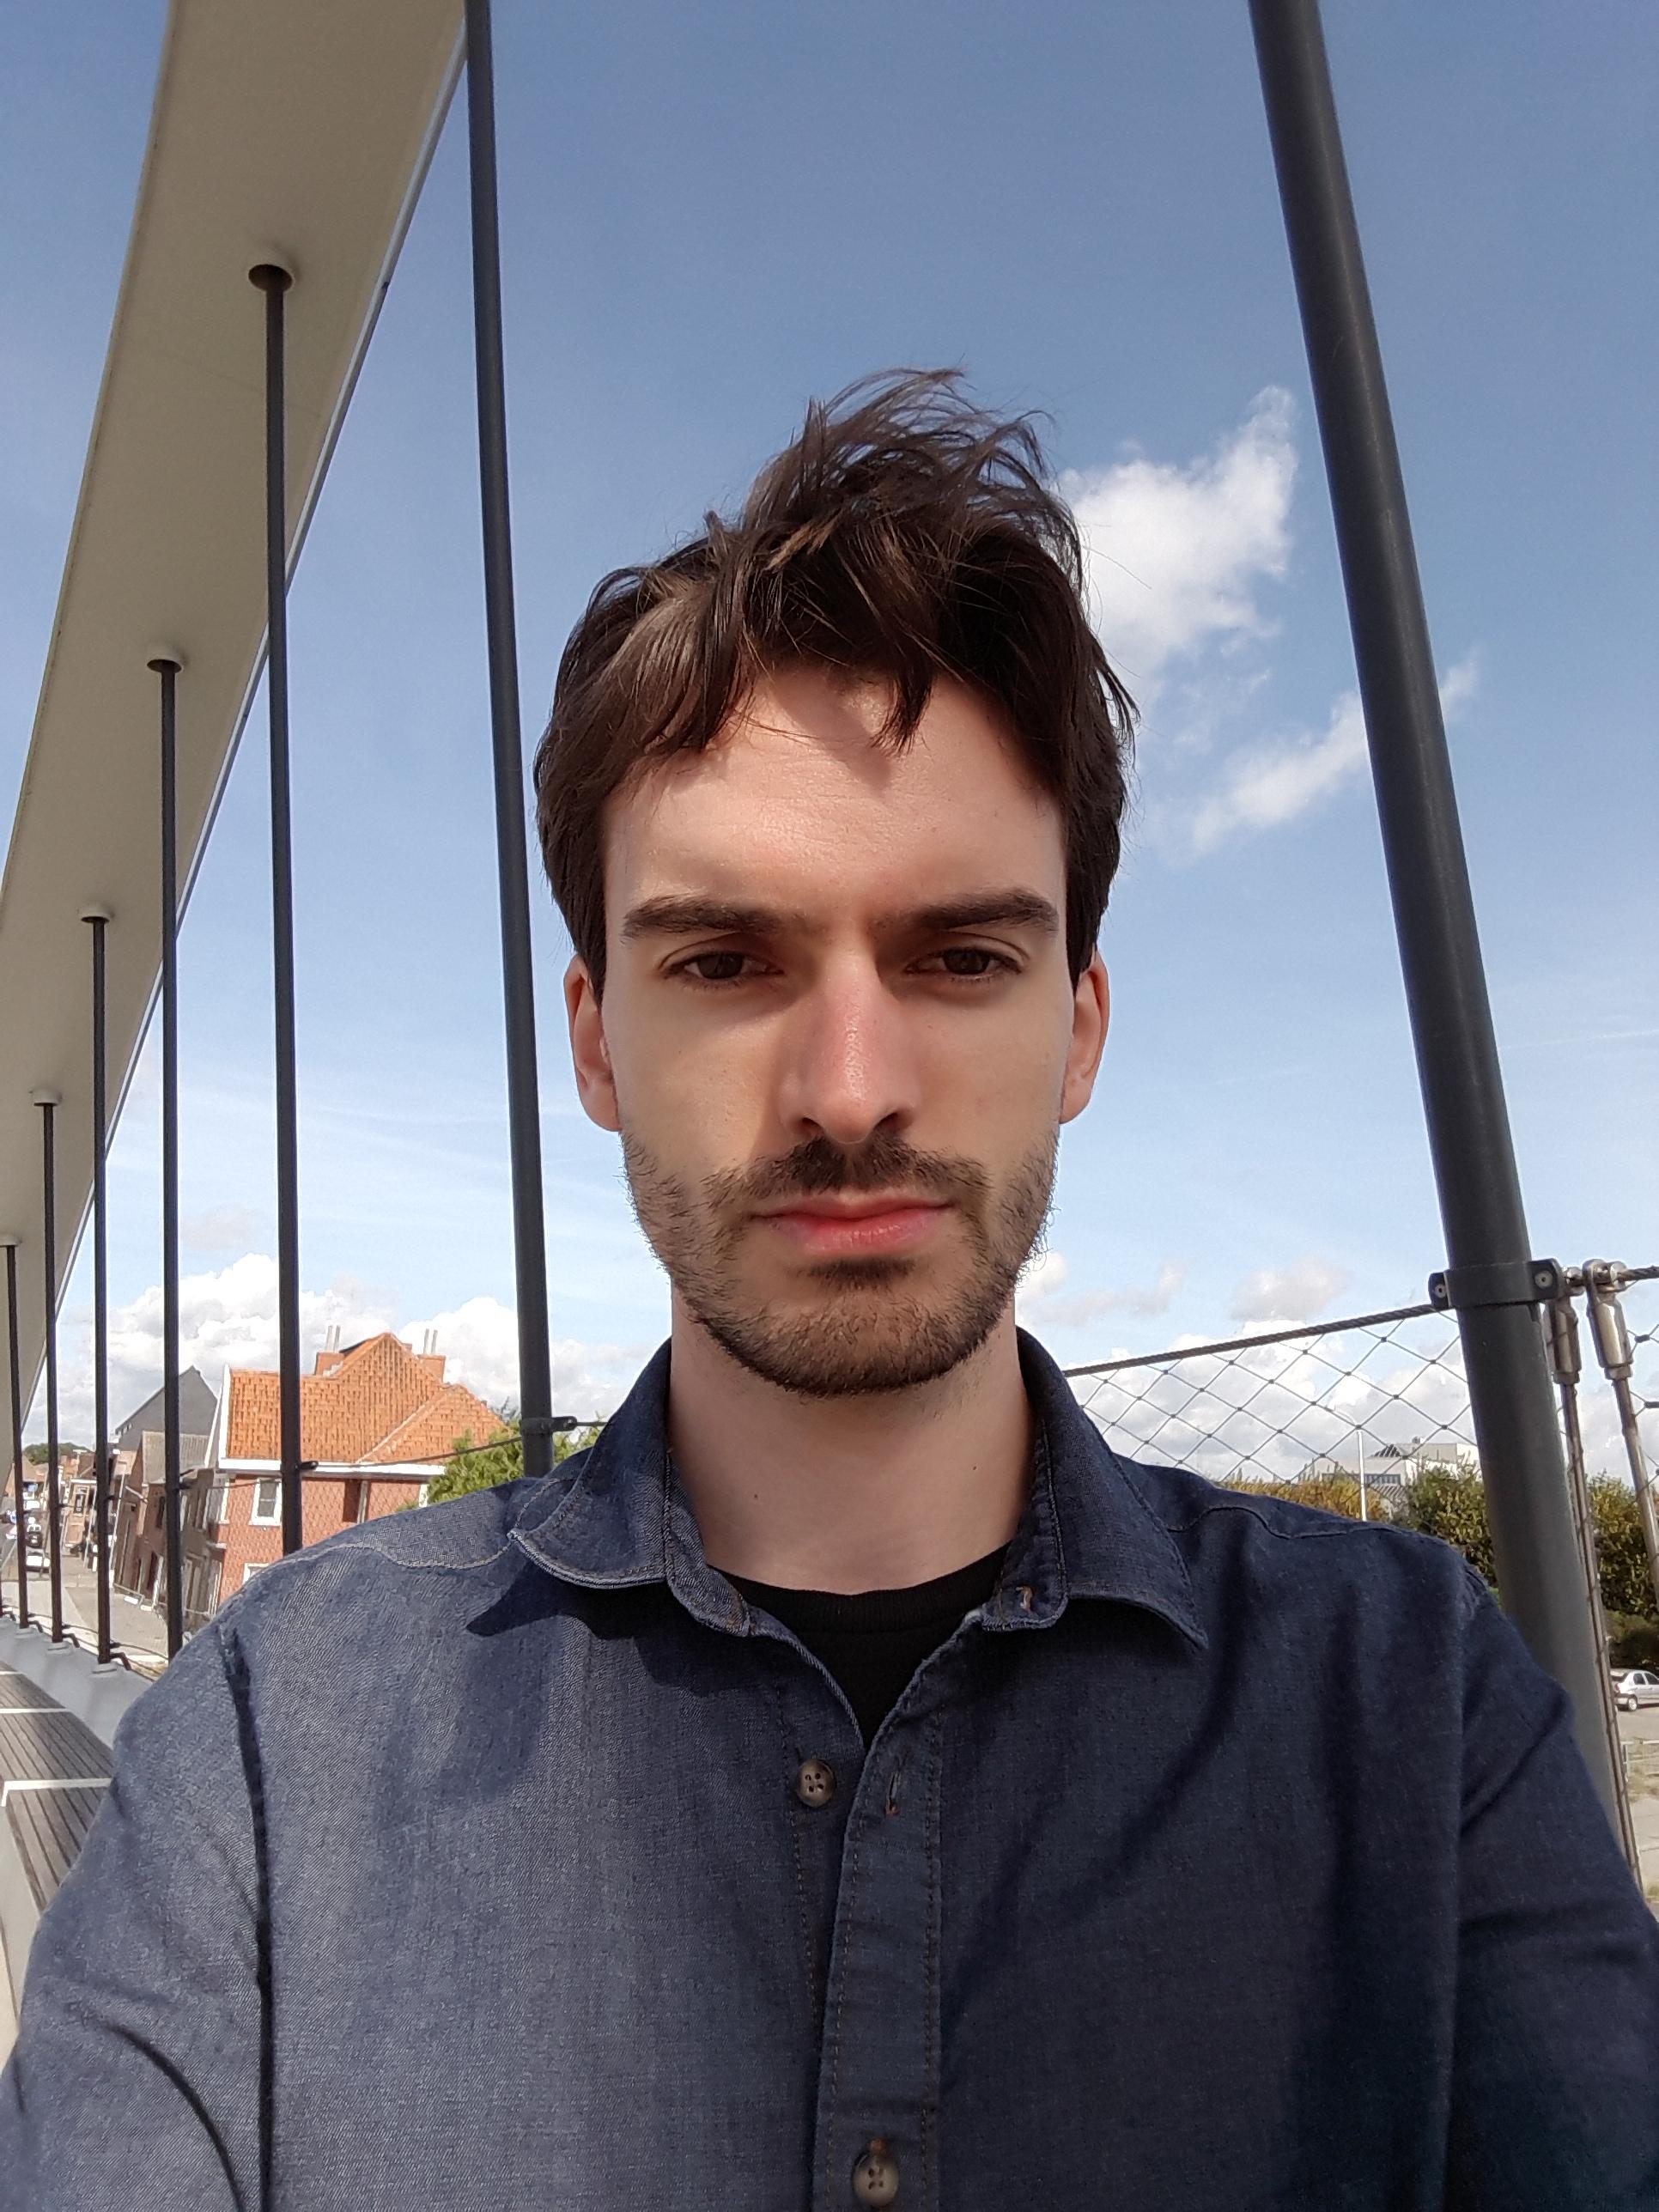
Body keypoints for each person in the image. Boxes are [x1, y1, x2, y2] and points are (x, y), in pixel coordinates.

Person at [3, 374, 1655, 2210]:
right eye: (726, 961)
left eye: (960, 956)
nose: (851, 1089)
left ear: (1079, 1028)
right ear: (597, 1042)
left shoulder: (1414, 1711)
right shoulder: (271, 1748)